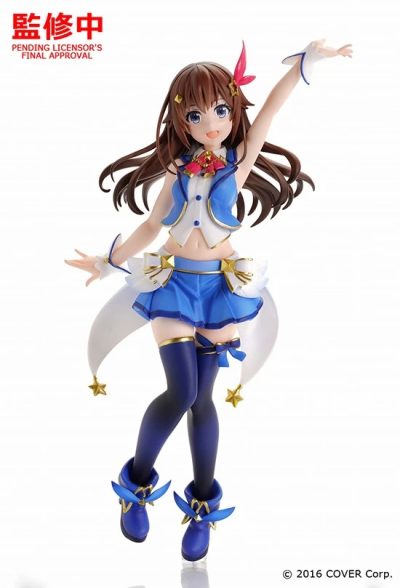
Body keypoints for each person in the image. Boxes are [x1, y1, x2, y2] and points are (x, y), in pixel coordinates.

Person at [65, 39, 352, 561]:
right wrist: (107, 261)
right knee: (180, 391)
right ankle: (136, 485)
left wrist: (305, 62)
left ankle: (201, 507)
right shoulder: (177, 171)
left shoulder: (238, 162)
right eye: (196, 114)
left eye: (221, 109)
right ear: (182, 121)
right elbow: (151, 226)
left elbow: (271, 112)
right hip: (174, 284)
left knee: (202, 401)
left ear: (233, 108)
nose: (212, 123)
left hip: (220, 289)